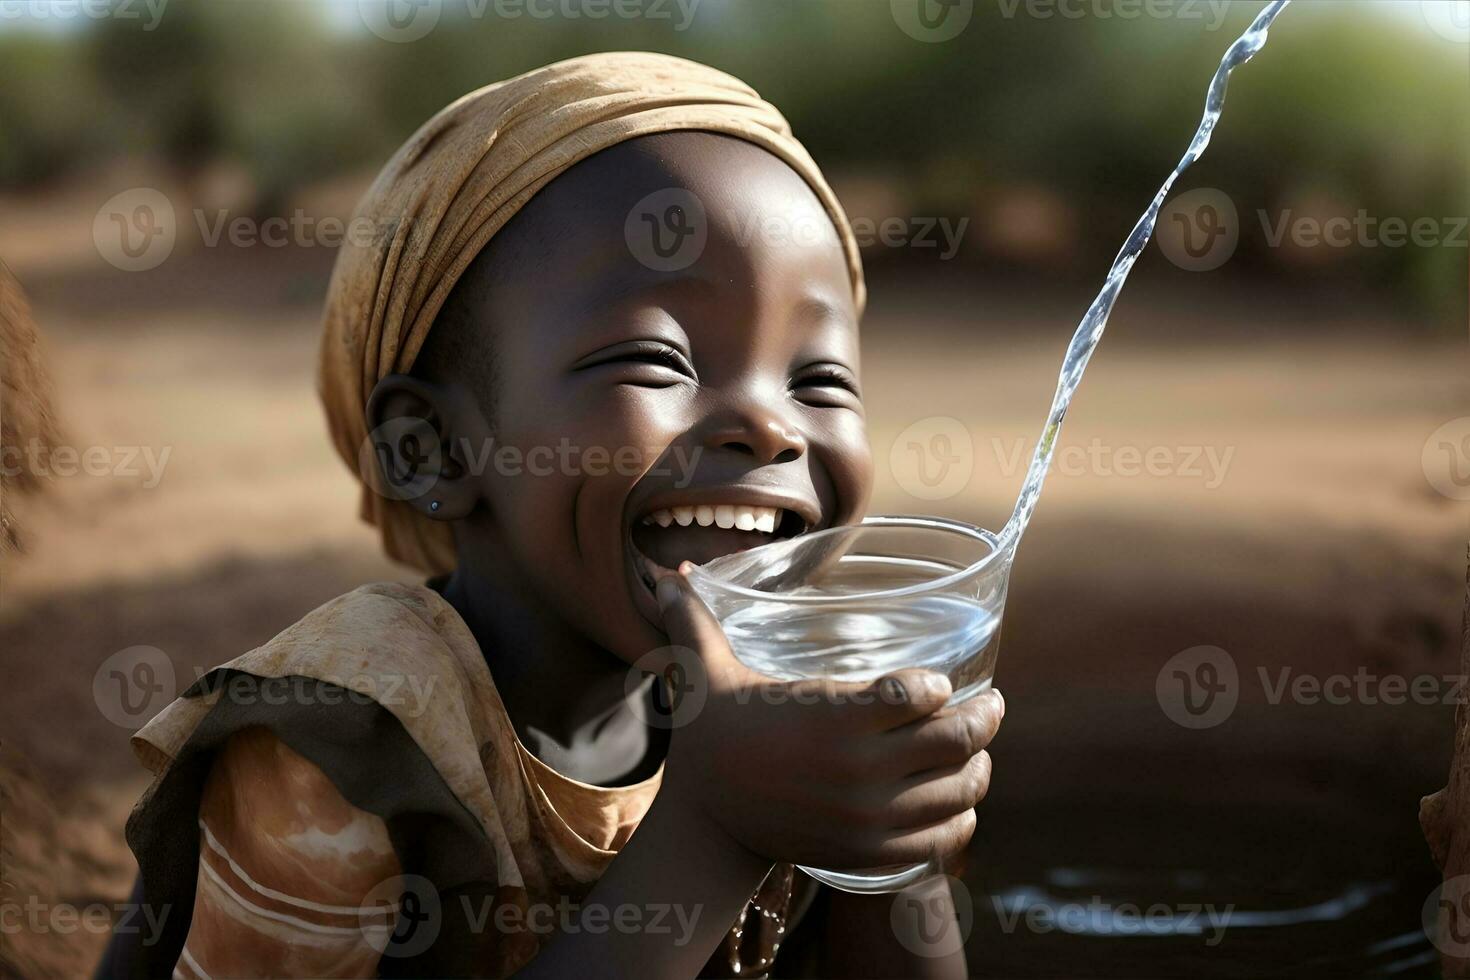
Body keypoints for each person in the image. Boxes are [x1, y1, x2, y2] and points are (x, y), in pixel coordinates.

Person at [104, 52, 1004, 979]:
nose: (771, 428)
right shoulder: (341, 740)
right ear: (434, 451)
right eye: (659, 360)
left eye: (818, 380)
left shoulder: (769, 705)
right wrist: (714, 829)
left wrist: (892, 851)